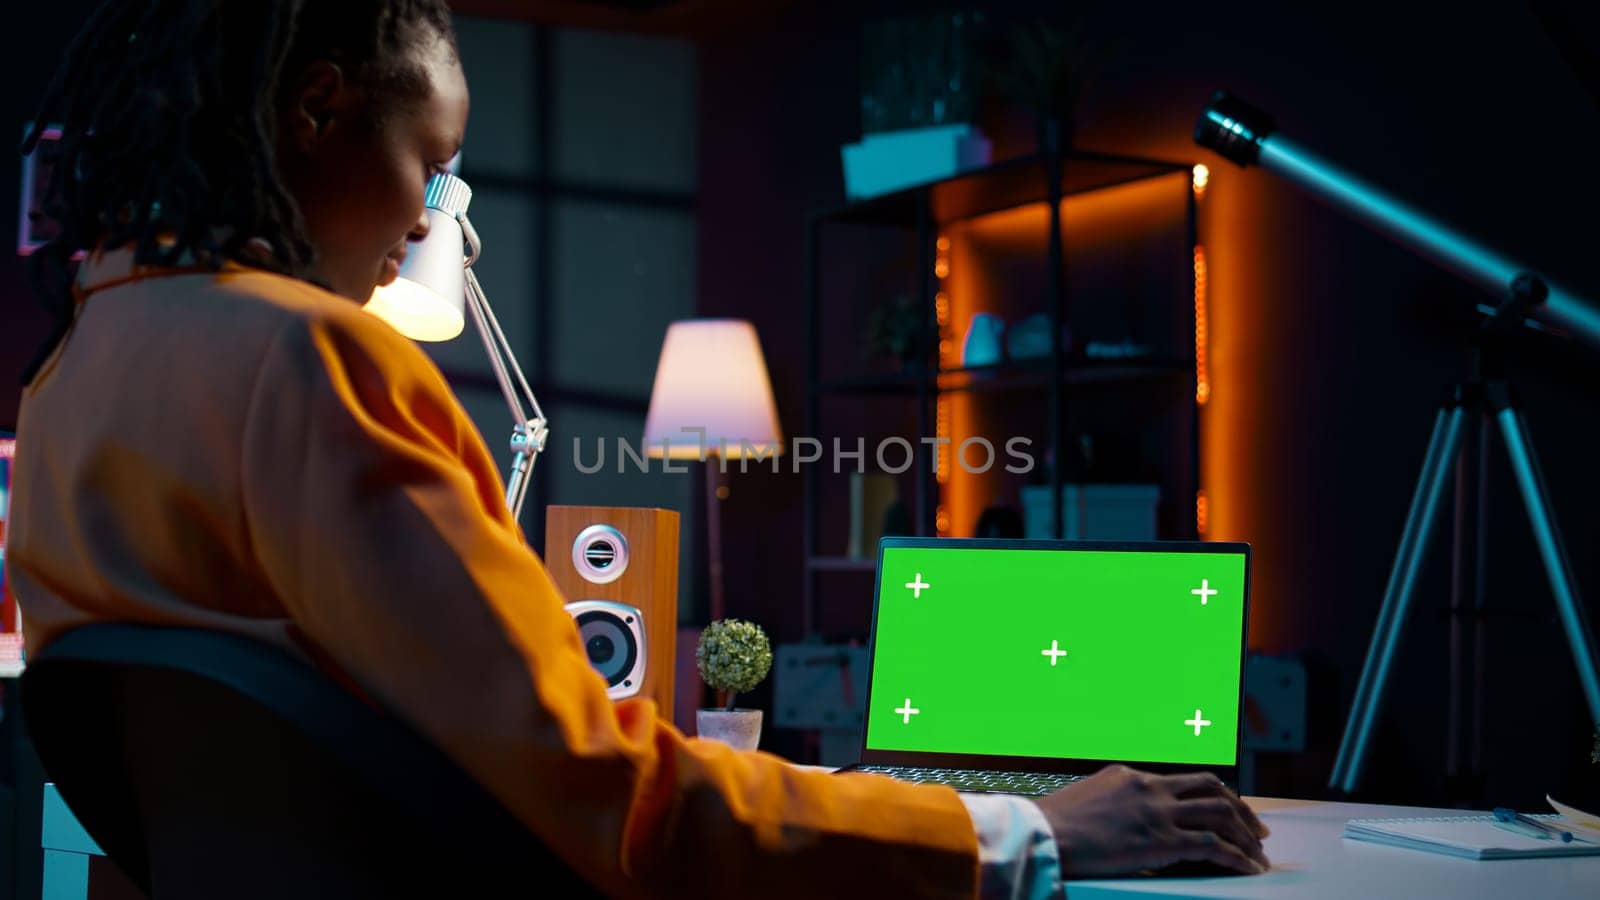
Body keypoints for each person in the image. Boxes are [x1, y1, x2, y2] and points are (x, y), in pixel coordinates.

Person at [8, 3, 1270, 897]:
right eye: (434, 168)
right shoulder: (316, 362)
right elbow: (622, 805)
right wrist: (1026, 833)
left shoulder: (72, 378)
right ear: (322, 110)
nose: (430, 222)